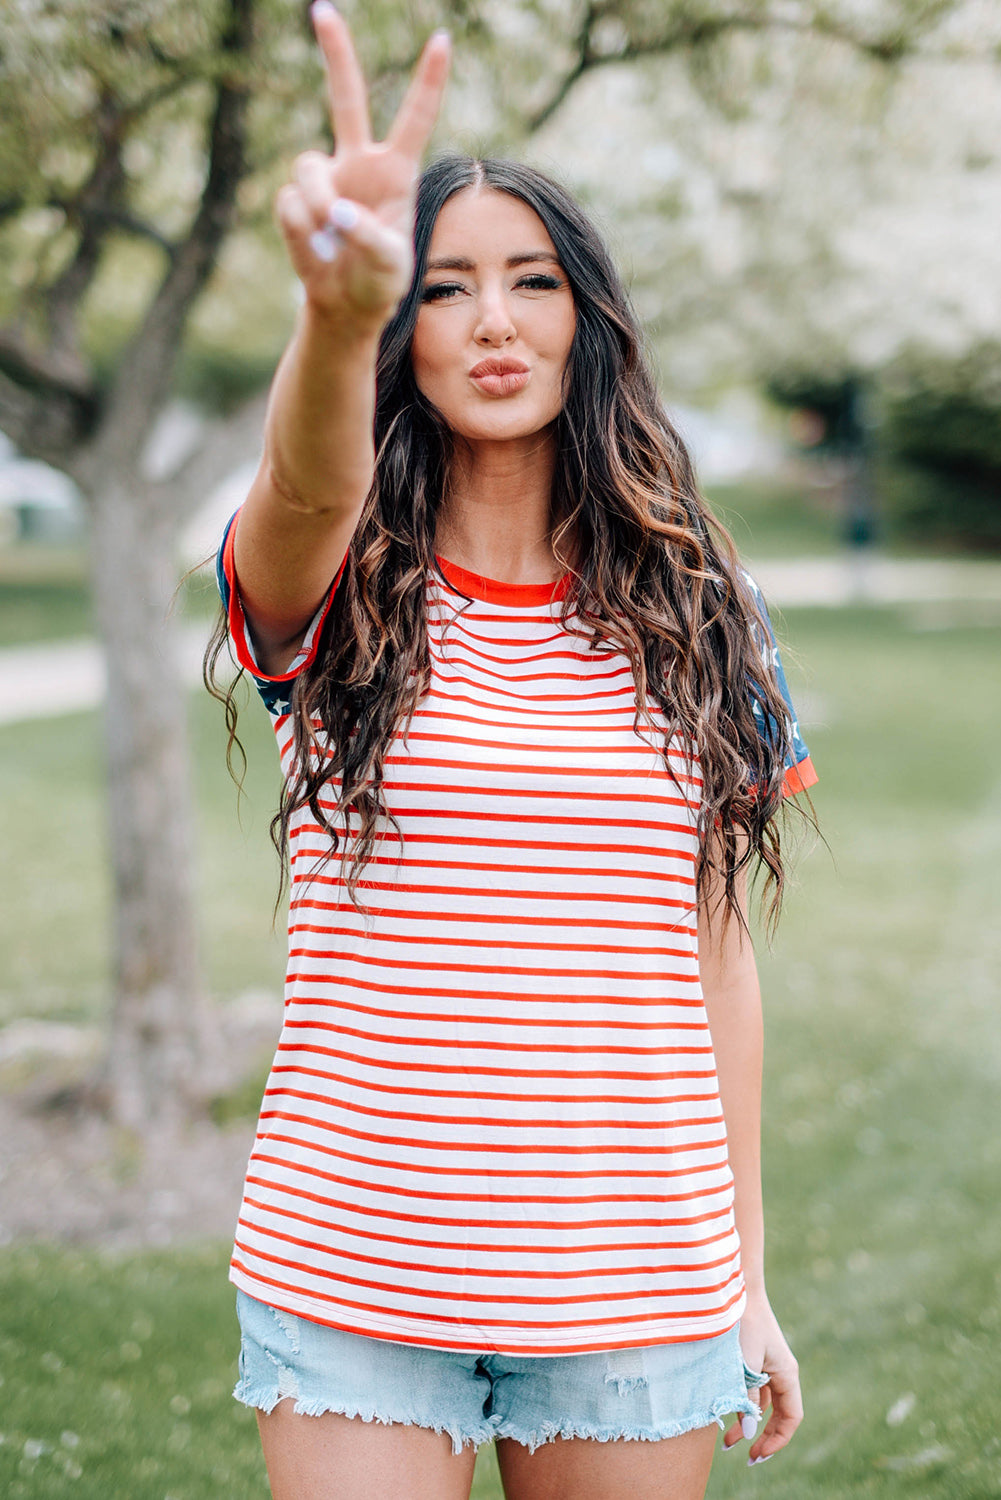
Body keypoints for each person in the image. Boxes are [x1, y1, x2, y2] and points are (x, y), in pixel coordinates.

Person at [207, 5, 815, 1497]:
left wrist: (744, 1277)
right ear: (400, 330)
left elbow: (715, 957)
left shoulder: (704, 607)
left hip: (636, 1277)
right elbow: (304, 486)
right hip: (354, 1267)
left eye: (532, 281)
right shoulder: (337, 583)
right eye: (444, 286)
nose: (493, 320)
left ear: (586, 318)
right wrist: (333, 316)